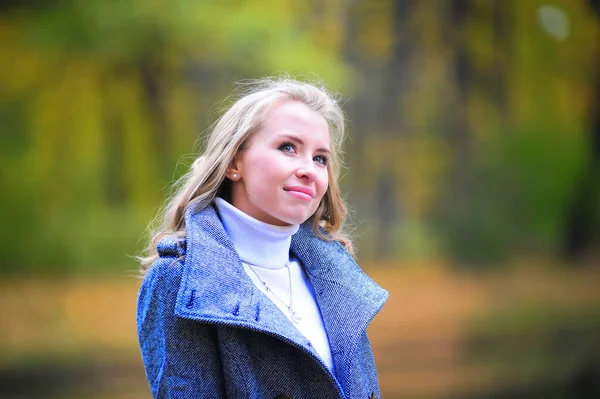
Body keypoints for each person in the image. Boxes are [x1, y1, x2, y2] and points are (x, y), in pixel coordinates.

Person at [136, 77, 389, 399]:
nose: (309, 169)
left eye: (320, 158)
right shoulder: (180, 279)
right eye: (288, 148)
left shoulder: (334, 273)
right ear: (233, 163)